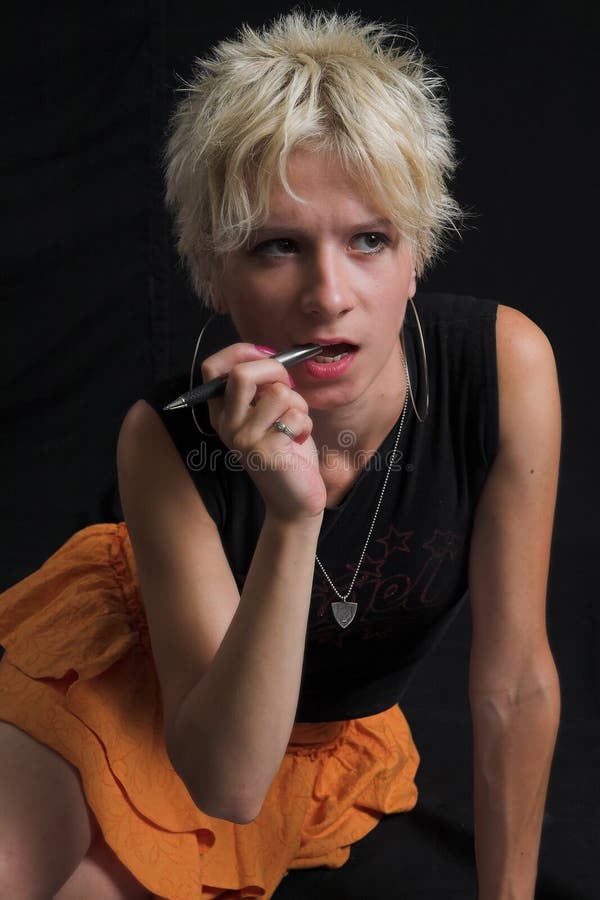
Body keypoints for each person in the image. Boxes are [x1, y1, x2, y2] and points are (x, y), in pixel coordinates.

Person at [0, 11, 561, 900]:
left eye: (370, 240)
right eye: (277, 248)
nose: (329, 296)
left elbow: (515, 684)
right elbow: (222, 774)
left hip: (296, 752)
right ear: (213, 273)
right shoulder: (165, 435)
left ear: (417, 254)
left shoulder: (504, 366)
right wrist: (293, 518)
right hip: (129, 683)